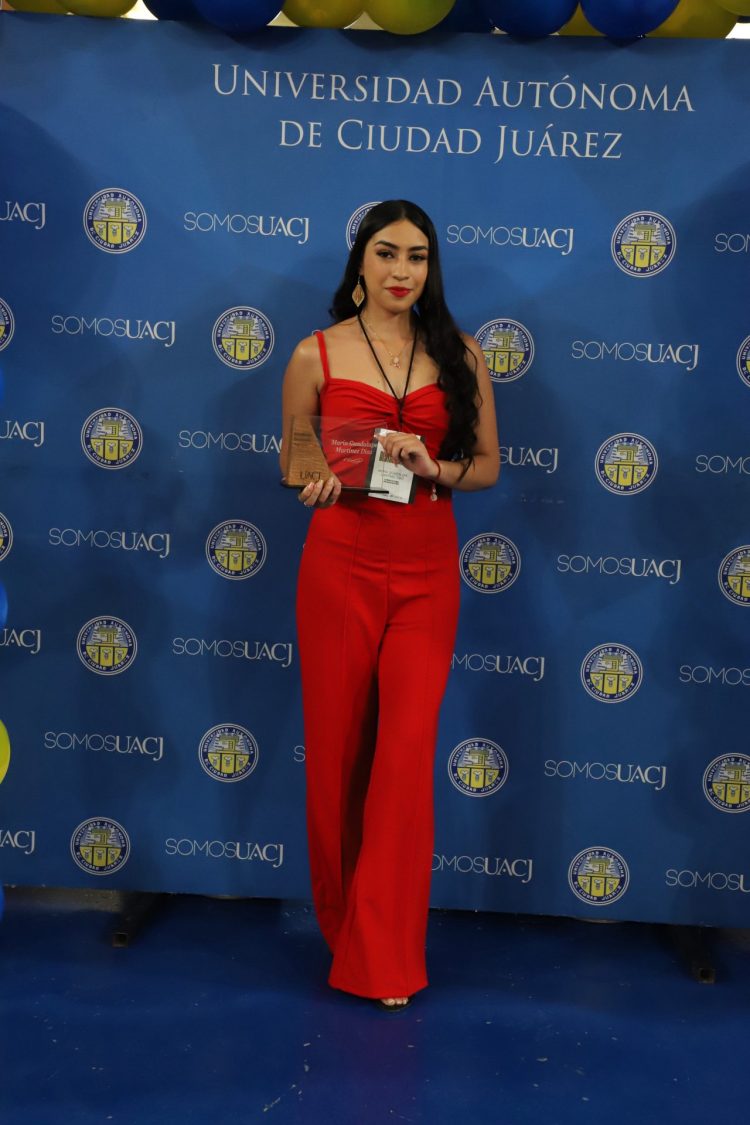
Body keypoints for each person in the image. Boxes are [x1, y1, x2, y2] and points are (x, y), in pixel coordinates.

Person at [280, 200, 499, 1011]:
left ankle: (385, 955)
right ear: (360, 264)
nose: (402, 270)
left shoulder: (461, 353)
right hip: (339, 567)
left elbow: (485, 467)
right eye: (386, 253)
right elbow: (296, 457)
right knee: (338, 756)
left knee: (404, 762)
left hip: (427, 575)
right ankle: (346, 927)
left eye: (417, 256)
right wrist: (314, 479)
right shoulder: (315, 353)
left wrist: (433, 467)